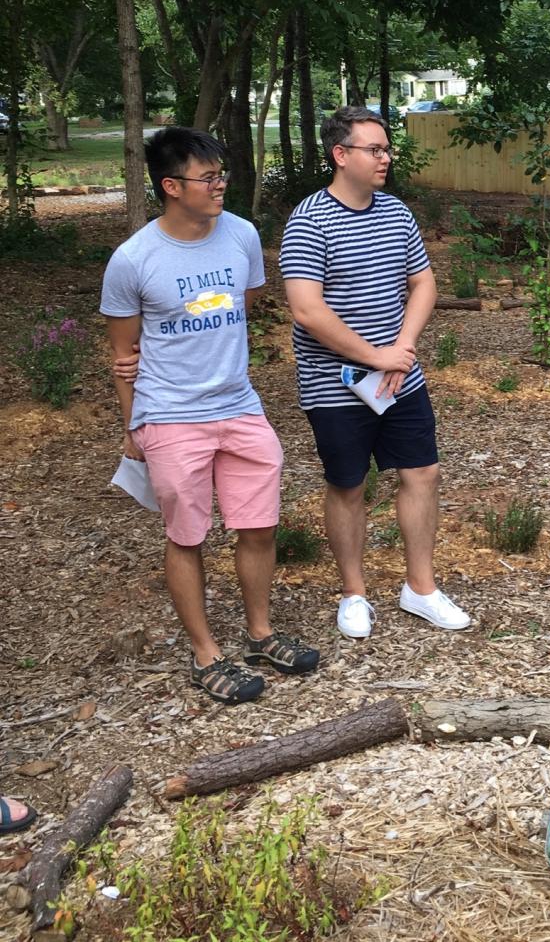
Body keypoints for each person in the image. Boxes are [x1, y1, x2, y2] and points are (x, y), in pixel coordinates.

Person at [101, 129, 319, 705]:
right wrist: (134, 430)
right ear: (172, 187)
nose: (221, 184)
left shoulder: (242, 235)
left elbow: (241, 308)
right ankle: (205, 655)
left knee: (259, 524)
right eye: (208, 177)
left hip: (239, 405)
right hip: (170, 415)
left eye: (222, 173)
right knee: (187, 534)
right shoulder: (133, 260)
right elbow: (123, 356)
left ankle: (260, 633)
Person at [279, 106, 470, 639]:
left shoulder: (395, 213)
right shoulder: (309, 219)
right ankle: (354, 593)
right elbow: (307, 310)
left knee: (422, 474)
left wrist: (401, 351)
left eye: (387, 149)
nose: (386, 158)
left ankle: (421, 588)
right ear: (341, 155)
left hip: (398, 379)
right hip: (334, 385)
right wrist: (374, 356)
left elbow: (424, 284)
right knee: (347, 485)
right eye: (375, 149)